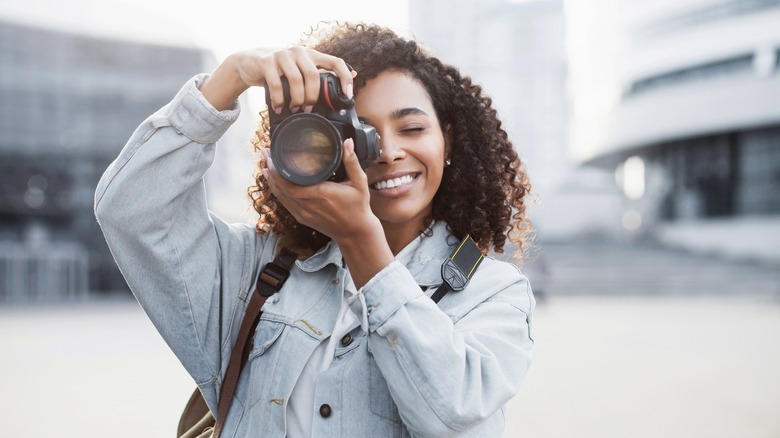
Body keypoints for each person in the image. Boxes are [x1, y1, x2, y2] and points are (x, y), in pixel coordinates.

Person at [95, 22, 535, 437]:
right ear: (314, 144)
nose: (388, 151)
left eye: (412, 127)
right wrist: (229, 78)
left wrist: (362, 242)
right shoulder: (260, 270)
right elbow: (130, 210)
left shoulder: (492, 292)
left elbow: (450, 411)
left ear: (449, 141)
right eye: (359, 132)